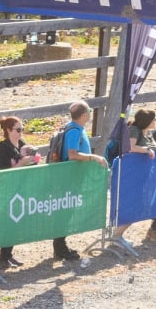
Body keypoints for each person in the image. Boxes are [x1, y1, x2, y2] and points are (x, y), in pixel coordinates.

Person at [52, 100, 106, 262]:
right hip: (69, 178)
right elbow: (72, 154)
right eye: (89, 111)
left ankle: (60, 246)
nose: (90, 113)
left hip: (71, 177)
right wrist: (93, 157)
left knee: (66, 211)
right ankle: (60, 248)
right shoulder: (74, 131)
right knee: (65, 212)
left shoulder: (72, 128)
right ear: (83, 115)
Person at [0, 115, 43, 270]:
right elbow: (4, 171)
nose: (21, 133)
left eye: (22, 129)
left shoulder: (21, 143)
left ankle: (9, 254)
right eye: (18, 130)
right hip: (9, 187)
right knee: (9, 221)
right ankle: (3, 257)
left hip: (21, 187)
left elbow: (32, 159)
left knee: (16, 221)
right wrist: (22, 163)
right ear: (8, 130)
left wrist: (34, 159)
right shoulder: (3, 147)